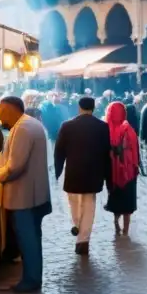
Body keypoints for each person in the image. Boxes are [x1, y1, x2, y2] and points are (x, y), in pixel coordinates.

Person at [0, 96, 52, 292]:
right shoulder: (28, 124)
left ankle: (31, 280)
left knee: (28, 239)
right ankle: (32, 277)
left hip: (24, 195)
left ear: (9, 109)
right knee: (32, 237)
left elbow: (15, 166)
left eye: (0, 110)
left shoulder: (24, 128)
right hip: (33, 194)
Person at [53, 97, 111, 256]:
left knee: (73, 201)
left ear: (79, 107)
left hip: (73, 171)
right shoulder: (102, 127)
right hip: (93, 172)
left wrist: (57, 171)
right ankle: (83, 239)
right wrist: (108, 176)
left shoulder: (67, 126)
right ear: (93, 108)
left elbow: (59, 151)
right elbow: (107, 153)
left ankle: (77, 223)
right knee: (89, 204)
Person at [105, 101, 140, 237]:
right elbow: (135, 151)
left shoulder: (106, 129)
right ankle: (126, 229)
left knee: (115, 197)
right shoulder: (128, 129)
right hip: (128, 172)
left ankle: (115, 221)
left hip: (112, 171)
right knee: (127, 201)